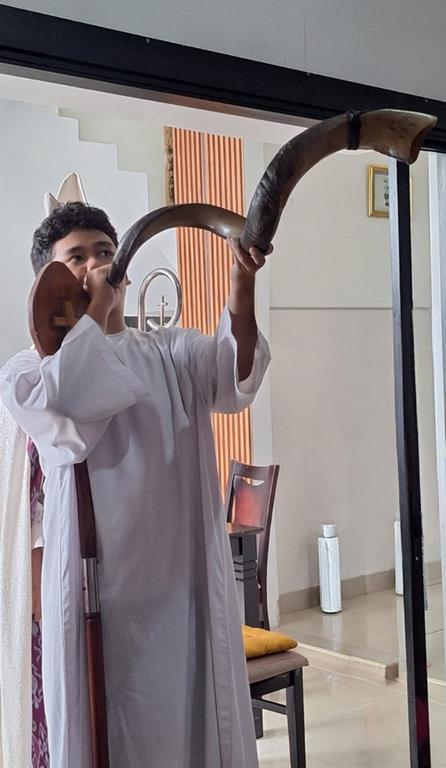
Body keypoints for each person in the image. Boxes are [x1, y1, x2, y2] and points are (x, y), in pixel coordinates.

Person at [0, 201, 271, 768]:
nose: (98, 265)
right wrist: (95, 313)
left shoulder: (168, 351)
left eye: (106, 251)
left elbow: (234, 376)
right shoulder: (28, 372)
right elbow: (68, 413)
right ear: (48, 280)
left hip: (181, 592)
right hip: (96, 600)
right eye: (77, 258)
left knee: (190, 729)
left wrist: (242, 287)